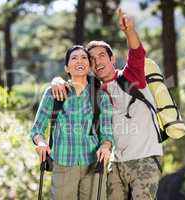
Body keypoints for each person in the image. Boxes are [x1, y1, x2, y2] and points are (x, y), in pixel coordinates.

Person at [51, 9, 163, 199]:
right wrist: (57, 81)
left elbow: (137, 52)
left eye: (102, 55)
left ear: (112, 59)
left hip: (145, 159)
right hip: (115, 164)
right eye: (91, 59)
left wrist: (129, 31)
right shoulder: (96, 93)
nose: (97, 61)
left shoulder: (132, 76)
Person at [31, 45, 114, 200]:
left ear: (89, 65)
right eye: (74, 58)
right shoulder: (53, 93)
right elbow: (37, 129)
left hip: (93, 165)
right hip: (63, 165)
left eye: (83, 57)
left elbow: (107, 133)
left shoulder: (100, 96)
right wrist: (41, 143)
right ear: (67, 67)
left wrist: (105, 146)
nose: (79, 61)